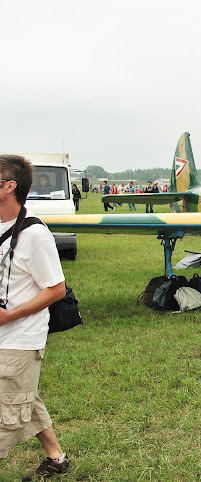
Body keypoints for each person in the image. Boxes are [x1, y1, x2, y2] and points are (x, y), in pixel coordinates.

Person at [0, 155, 69, 480]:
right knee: (23, 398)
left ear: (9, 187)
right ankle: (56, 458)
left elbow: (56, 290)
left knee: (6, 414)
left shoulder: (35, 235)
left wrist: (10, 316)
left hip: (19, 339)